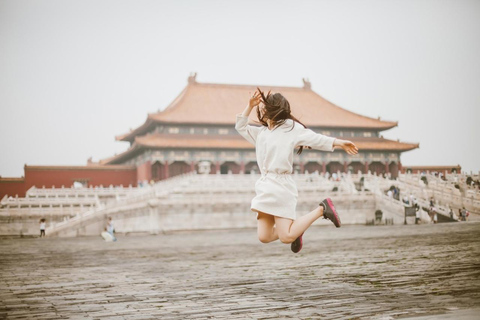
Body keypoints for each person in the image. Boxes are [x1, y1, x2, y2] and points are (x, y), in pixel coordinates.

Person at [235, 89, 358, 253]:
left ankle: (322, 209)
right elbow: (240, 126)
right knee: (264, 236)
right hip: (264, 186)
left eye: (265, 107)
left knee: (286, 237)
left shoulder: (290, 128)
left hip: (280, 186)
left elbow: (315, 138)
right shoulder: (261, 133)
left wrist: (339, 142)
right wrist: (249, 106)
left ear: (273, 109)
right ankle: (297, 229)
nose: (262, 110)